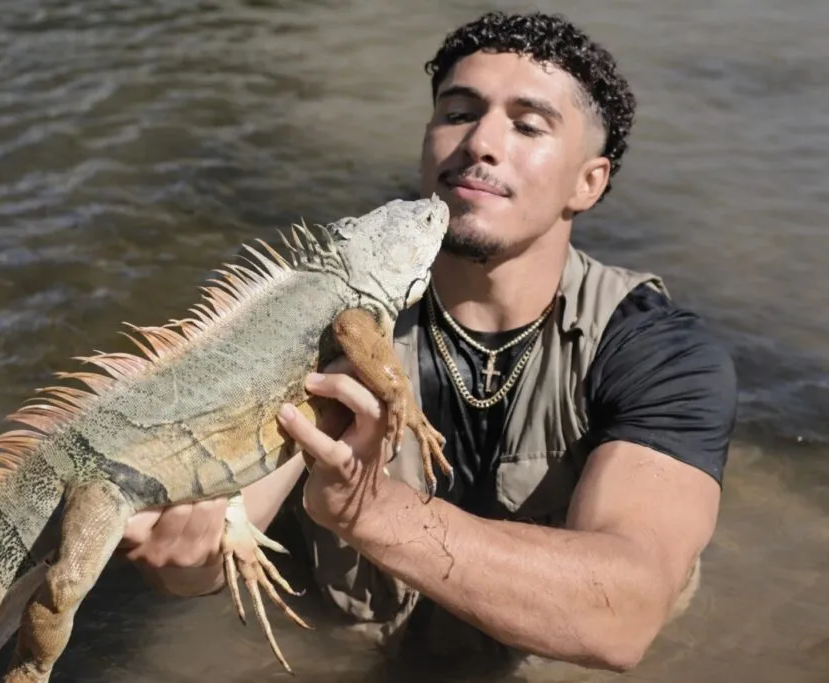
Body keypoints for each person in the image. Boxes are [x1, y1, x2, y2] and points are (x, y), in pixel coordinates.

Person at [117, 10, 737, 675]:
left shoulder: (658, 350)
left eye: (527, 125)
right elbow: (206, 536)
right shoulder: (326, 313)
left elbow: (621, 616)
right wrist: (191, 557)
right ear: (426, 142)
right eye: (458, 113)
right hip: (344, 654)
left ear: (590, 180)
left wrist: (369, 509)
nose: (480, 143)